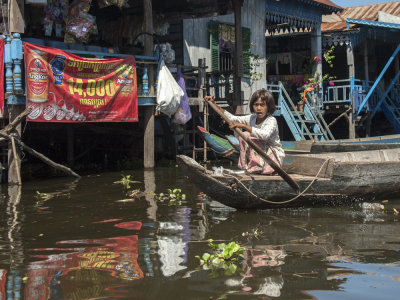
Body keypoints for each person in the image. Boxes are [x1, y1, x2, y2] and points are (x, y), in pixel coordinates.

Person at [205, 89, 285, 175]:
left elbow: (264, 135)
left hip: (273, 159)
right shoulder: (252, 118)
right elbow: (232, 118)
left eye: (262, 105)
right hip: (261, 157)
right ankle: (247, 167)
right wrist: (214, 104)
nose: (259, 108)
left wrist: (243, 126)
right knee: (244, 135)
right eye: (256, 105)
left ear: (268, 106)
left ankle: (259, 168)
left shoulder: (271, 120)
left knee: (247, 134)